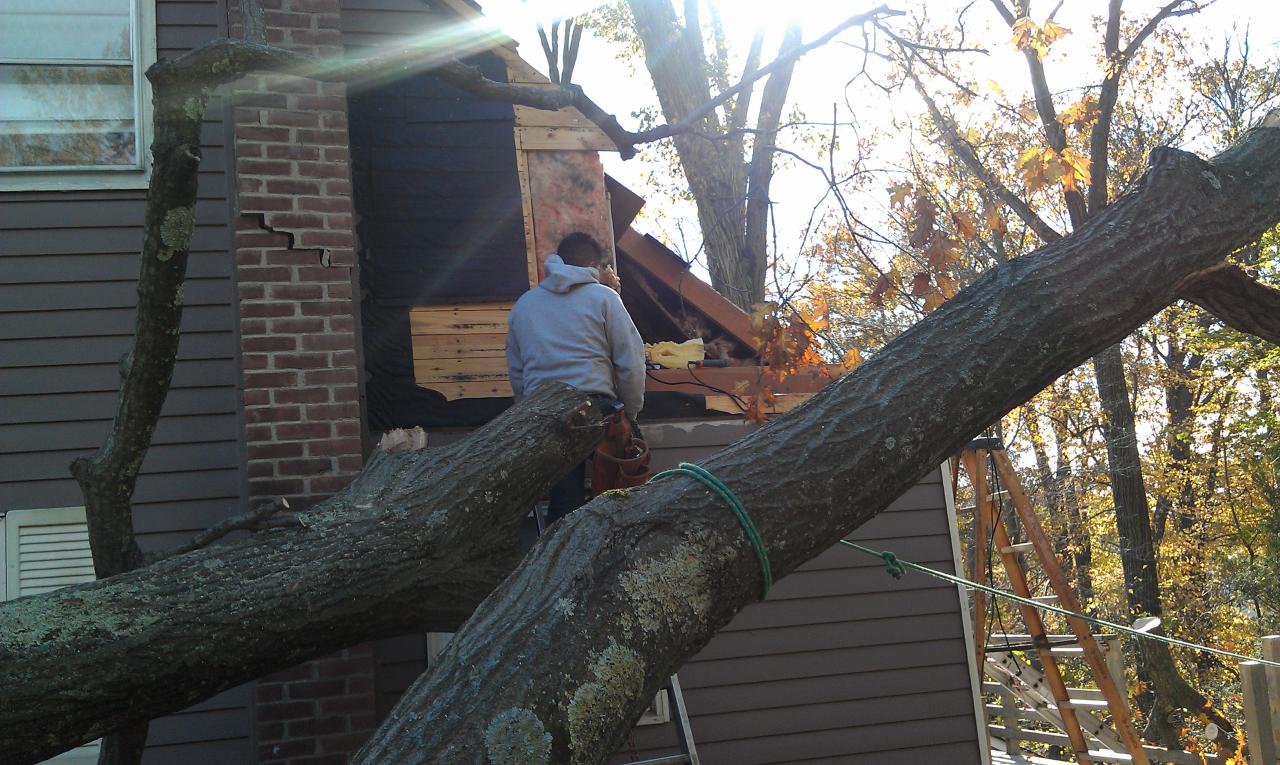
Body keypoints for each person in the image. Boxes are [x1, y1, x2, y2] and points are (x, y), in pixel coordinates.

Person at [506, 232, 646, 526]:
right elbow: (631, 362)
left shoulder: (524, 305)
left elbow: (517, 373)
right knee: (624, 496)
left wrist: (527, 414)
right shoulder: (605, 298)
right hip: (598, 410)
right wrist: (630, 414)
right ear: (594, 264)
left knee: (563, 509)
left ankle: (561, 563)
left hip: (542, 415)